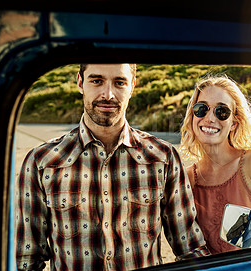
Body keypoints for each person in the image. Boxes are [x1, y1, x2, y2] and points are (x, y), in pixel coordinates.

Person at [15, 64, 209, 271]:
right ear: (80, 82)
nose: (108, 95)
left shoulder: (163, 158)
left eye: (119, 82)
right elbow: (25, 260)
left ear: (132, 86)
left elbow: (190, 249)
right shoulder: (42, 162)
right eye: (97, 81)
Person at [180, 74, 251, 254]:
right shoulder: (187, 178)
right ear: (193, 116)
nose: (210, 118)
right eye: (202, 109)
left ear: (234, 122)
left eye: (221, 111)